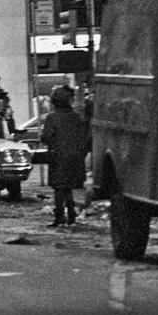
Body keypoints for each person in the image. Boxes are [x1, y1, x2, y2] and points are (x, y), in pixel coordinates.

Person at [42, 85, 90, 228]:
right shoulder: (77, 118)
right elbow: (85, 137)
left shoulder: (52, 118)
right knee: (68, 187)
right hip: (75, 158)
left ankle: (60, 216)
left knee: (59, 188)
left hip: (58, 157)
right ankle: (71, 215)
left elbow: (46, 137)